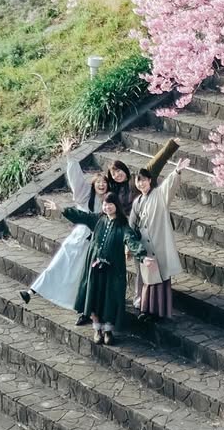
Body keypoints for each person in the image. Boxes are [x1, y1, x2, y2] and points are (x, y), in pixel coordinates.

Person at [19, 139, 109, 319]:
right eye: (98, 182)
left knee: (80, 275)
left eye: (104, 183)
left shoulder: (108, 201)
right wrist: (69, 156)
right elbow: (76, 179)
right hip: (78, 238)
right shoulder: (86, 196)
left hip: (93, 244)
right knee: (58, 265)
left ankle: (82, 308)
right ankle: (32, 291)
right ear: (94, 184)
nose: (101, 185)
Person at [52, 193, 146, 346]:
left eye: (110, 204)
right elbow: (81, 216)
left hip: (113, 269)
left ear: (116, 205)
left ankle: (108, 330)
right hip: (94, 265)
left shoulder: (123, 225)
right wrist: (62, 209)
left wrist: (142, 255)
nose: (107, 207)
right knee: (93, 294)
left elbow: (131, 240)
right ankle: (97, 328)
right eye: (104, 204)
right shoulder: (97, 219)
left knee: (110, 296)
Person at [129, 155, 191, 320]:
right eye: (138, 181)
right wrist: (129, 245)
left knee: (160, 277)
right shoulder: (137, 202)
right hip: (145, 244)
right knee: (148, 278)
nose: (141, 183)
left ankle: (158, 311)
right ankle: (146, 310)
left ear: (150, 180)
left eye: (143, 180)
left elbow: (169, 186)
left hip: (159, 243)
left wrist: (176, 171)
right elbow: (131, 225)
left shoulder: (159, 195)